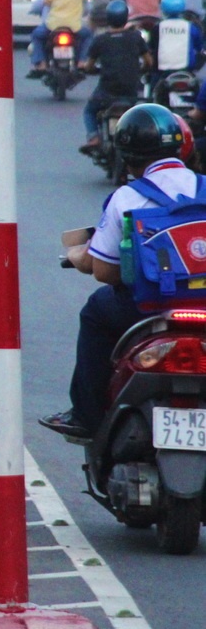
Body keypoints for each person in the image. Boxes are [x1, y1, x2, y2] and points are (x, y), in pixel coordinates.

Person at [43, 104, 191, 438]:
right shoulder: (203, 186)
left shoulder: (127, 197)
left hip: (150, 307)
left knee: (96, 311)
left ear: (128, 154)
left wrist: (82, 256)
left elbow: (106, 272)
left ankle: (87, 415)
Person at [78, 0, 148, 153]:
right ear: (126, 18)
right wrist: (140, 68)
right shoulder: (136, 37)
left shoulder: (100, 40)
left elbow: (89, 65)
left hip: (107, 91)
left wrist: (89, 69)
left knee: (89, 111)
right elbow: (148, 61)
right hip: (130, 91)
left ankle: (94, 137)